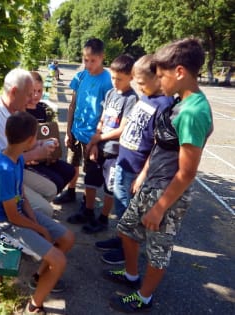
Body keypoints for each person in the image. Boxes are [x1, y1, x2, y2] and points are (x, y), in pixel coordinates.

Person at [104, 38, 213, 313]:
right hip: (152, 183)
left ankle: (144, 297)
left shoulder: (193, 112)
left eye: (162, 75)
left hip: (168, 192)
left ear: (179, 72)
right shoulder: (179, 101)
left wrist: (159, 208)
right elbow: (161, 143)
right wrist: (144, 173)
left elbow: (187, 173)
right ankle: (131, 276)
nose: (159, 81)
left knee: (158, 250)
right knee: (126, 229)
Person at [0, 111, 75, 315]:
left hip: (18, 215)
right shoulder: (3, 169)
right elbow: (12, 217)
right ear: (31, 139)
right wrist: (39, 228)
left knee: (67, 238)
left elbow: (21, 195)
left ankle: (38, 278)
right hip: (2, 224)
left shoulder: (17, 159)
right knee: (59, 260)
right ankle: (33, 308)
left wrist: (36, 222)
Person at [95, 54, 174, 264]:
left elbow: (158, 145)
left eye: (141, 82)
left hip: (136, 169)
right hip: (123, 161)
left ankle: (126, 251)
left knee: (130, 211)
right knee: (120, 206)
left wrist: (143, 175)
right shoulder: (146, 97)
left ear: (157, 78)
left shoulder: (165, 104)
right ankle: (121, 239)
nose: (138, 86)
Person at [0, 68, 59, 217]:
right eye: (29, 94)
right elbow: (2, 165)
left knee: (51, 190)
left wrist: (41, 144)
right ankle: (20, 221)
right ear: (14, 92)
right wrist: (37, 153)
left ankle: (27, 219)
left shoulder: (14, 111)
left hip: (13, 170)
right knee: (46, 210)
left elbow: (20, 147)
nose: (32, 99)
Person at [76, 54, 138, 234]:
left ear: (131, 77)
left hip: (114, 152)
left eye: (120, 79)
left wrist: (99, 139)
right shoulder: (111, 93)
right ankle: (87, 211)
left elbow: (122, 129)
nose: (115, 81)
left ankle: (103, 219)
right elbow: (102, 120)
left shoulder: (131, 99)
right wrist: (95, 142)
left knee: (110, 187)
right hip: (99, 147)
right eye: (113, 77)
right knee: (90, 179)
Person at [53, 38, 113, 219]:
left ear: (102, 57)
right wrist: (69, 130)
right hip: (76, 132)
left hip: (92, 137)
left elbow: (108, 113)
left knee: (90, 174)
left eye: (92, 60)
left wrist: (98, 138)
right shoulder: (80, 76)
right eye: (85, 60)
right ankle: (70, 192)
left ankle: (86, 207)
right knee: (72, 164)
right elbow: (72, 105)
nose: (87, 64)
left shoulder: (107, 81)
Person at [25, 71, 76, 195]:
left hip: (44, 157)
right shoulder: (20, 111)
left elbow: (46, 133)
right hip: (28, 160)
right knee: (56, 181)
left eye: (39, 91)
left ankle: (47, 196)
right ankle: (39, 201)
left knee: (70, 170)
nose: (36, 95)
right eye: (32, 91)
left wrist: (52, 151)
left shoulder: (42, 109)